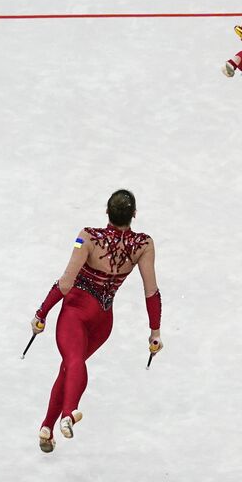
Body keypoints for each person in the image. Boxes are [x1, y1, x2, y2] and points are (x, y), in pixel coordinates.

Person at [32, 190, 163, 453]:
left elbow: (66, 283)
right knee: (69, 367)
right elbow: (151, 291)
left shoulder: (87, 237)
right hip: (103, 320)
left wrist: (42, 312)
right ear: (134, 214)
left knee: (72, 362)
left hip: (76, 313)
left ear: (107, 211)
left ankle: (68, 412)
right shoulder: (143, 245)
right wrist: (155, 332)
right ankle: (47, 428)